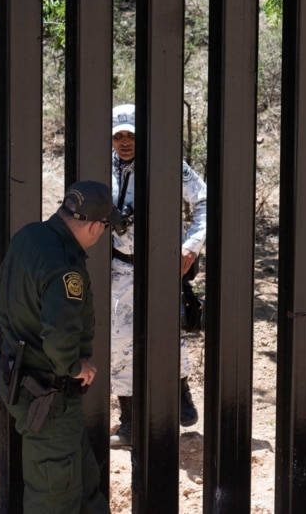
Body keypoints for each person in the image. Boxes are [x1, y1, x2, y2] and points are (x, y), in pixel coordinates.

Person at [0, 180, 123, 514]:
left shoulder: (29, 236)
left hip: (26, 382)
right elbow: (60, 333)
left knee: (83, 486)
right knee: (54, 496)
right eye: (106, 226)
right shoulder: (66, 267)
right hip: (49, 396)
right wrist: (74, 366)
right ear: (96, 226)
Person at [107, 103, 208, 449]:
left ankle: (181, 397)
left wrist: (191, 245)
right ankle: (130, 423)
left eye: (131, 135)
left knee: (167, 333)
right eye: (118, 135)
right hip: (118, 264)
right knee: (118, 342)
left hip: (162, 264)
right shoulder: (101, 166)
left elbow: (206, 201)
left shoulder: (169, 167)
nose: (124, 142)